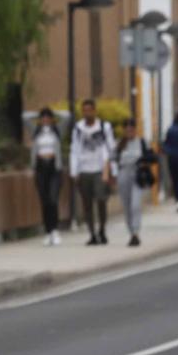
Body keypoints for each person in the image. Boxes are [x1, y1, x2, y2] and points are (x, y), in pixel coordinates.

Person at [70, 97, 115, 245]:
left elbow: (110, 149)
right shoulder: (78, 128)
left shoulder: (104, 127)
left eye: (89, 110)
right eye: (84, 111)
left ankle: (102, 228)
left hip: (100, 169)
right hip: (84, 170)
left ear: (95, 111)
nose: (87, 113)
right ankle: (92, 233)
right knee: (87, 203)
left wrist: (111, 171)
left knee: (101, 199)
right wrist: (74, 171)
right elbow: (74, 150)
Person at [115, 118, 156, 247]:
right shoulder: (119, 144)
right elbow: (112, 159)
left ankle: (136, 231)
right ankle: (131, 232)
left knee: (135, 205)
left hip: (137, 176)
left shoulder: (142, 142)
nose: (129, 131)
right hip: (123, 175)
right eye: (126, 129)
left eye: (131, 129)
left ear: (135, 129)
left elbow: (153, 157)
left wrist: (143, 161)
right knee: (127, 206)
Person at [30, 107, 63, 246]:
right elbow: (25, 117)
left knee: (53, 199)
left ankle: (55, 229)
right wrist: (36, 114)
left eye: (47, 117)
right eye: (43, 117)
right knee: (44, 200)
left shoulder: (57, 131)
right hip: (41, 168)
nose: (45, 120)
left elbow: (67, 117)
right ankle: (48, 231)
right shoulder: (36, 132)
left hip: (54, 168)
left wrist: (55, 114)